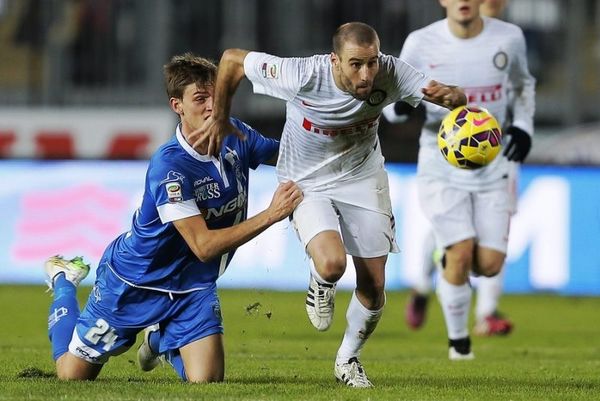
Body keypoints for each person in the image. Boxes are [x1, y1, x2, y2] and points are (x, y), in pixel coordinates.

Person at [189, 22, 466, 387]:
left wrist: (453, 98)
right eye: (355, 64)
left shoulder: (392, 72)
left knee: (374, 285)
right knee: (333, 264)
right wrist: (222, 116)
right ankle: (322, 281)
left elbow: (453, 97)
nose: (366, 74)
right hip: (307, 182)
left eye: (372, 63)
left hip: (363, 178)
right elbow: (232, 61)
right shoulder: (302, 74)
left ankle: (347, 360)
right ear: (335, 60)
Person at [44, 53, 303, 382]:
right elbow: (203, 246)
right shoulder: (171, 166)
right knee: (72, 375)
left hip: (192, 286)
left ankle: (161, 340)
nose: (211, 106)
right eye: (199, 99)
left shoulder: (238, 135)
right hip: (136, 280)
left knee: (207, 383)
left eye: (216, 96)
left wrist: (330, 133)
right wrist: (271, 215)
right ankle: (64, 281)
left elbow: (292, 157)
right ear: (177, 106)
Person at [386, 0, 535, 360]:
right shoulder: (420, 43)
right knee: (461, 251)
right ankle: (459, 345)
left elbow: (522, 86)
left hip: (492, 165)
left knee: (488, 265)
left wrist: (523, 126)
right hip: (440, 166)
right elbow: (391, 108)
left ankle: (444, 258)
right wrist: (405, 103)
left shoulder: (510, 38)